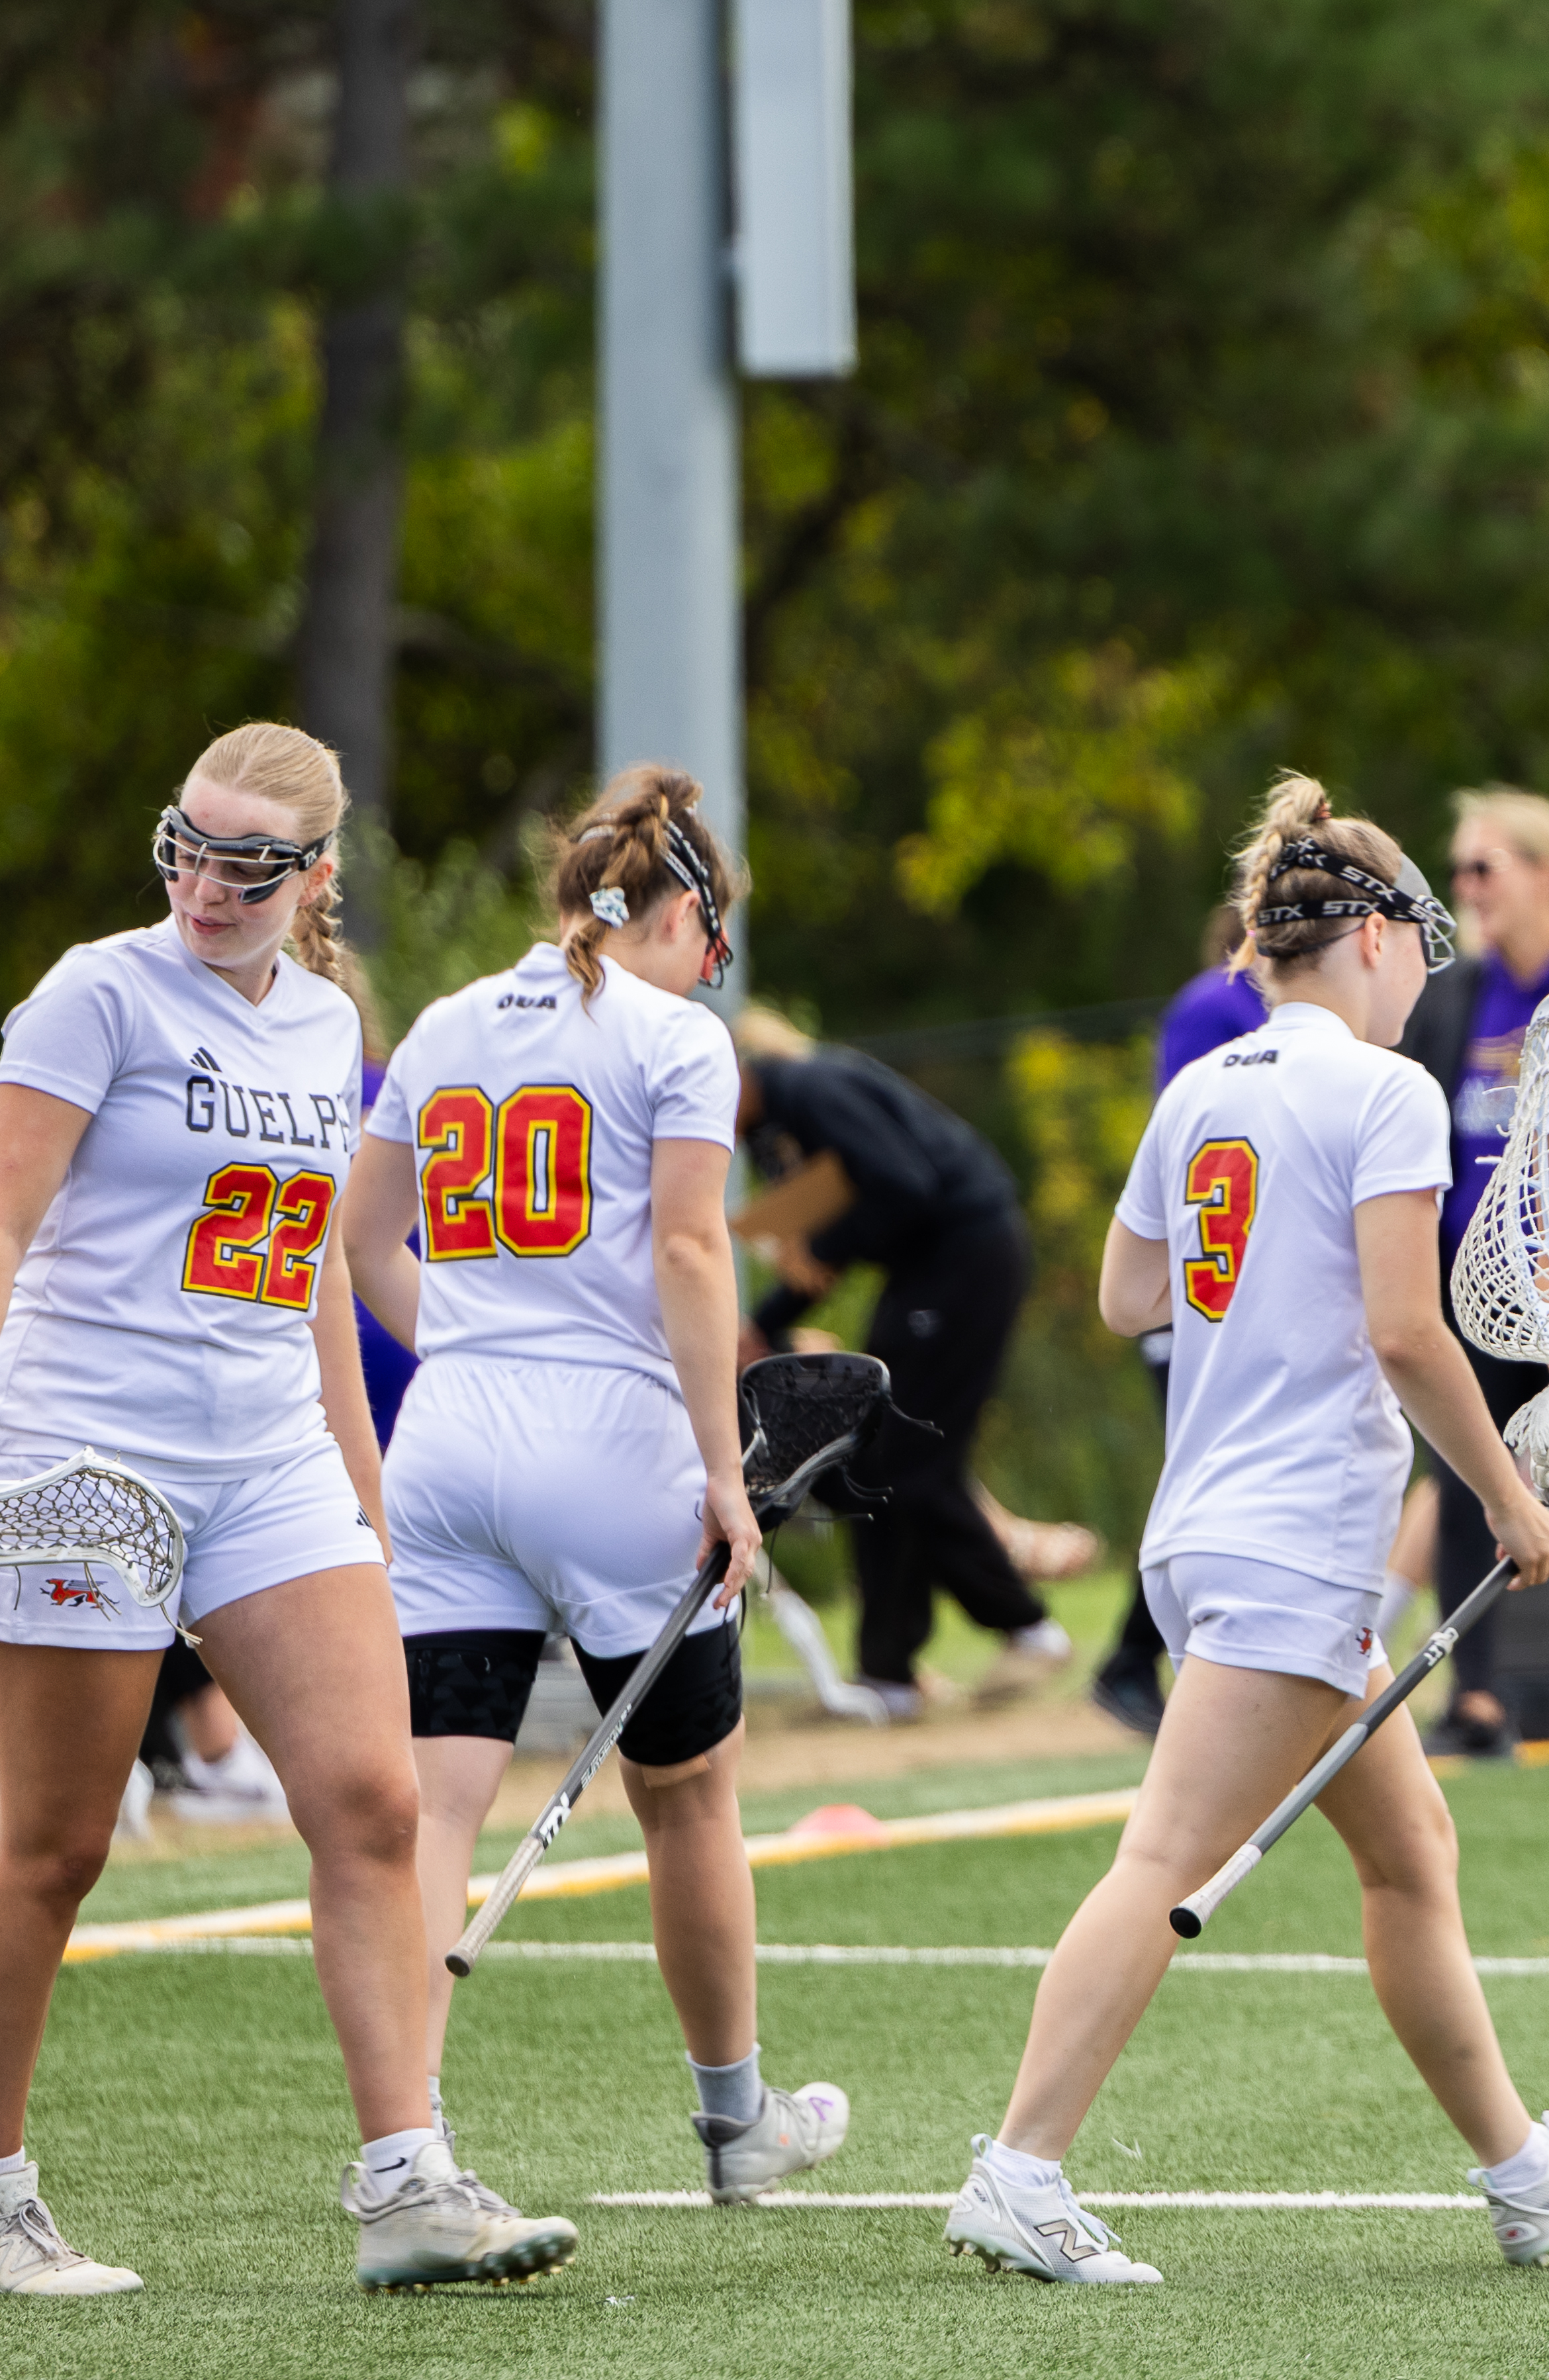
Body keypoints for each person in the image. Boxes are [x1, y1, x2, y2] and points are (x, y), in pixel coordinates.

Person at [0, 719, 575, 2295]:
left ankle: (405, 2179)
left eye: (248, 862)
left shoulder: (326, 1023)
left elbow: (313, 1273)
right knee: (56, 1845)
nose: (206, 884)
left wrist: (368, 1498)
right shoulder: (95, 991)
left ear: (314, 872)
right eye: (187, 845)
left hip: (266, 1459)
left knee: (375, 1802)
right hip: (81, 1451)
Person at [944, 776, 1549, 2284]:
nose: (1428, 968)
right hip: (1289, 1534)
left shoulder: (1199, 1088)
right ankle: (1017, 2166)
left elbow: (1128, 1299)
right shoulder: (1383, 1092)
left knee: (1411, 1850)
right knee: (1166, 1855)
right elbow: (1412, 1334)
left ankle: (1521, 2170)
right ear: (1364, 940)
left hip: (1214, 1521)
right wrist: (1507, 1497)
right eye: (1417, 935)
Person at [338, 762, 851, 2207]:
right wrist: (719, 1469)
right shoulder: (673, 1038)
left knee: (437, 1808)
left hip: (449, 1441)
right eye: (717, 938)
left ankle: (406, 2144)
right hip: (613, 1448)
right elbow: (696, 1253)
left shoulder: (442, 1024)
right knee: (687, 1798)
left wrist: (477, 1347)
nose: (714, 965)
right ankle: (737, 2120)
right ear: (682, 910)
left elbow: (363, 1241)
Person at [735, 1013, 1067, 1717]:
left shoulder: (809, 1086)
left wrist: (821, 1245)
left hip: (965, 1255)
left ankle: (1026, 1626)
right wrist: (758, 1326)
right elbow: (836, 1236)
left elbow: (905, 1186)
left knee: (909, 1458)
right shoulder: (773, 1127)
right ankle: (888, 1673)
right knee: (877, 1459)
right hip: (928, 1269)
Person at [1398, 788, 1549, 1756]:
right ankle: (1477, 1698)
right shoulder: (1457, 995)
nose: (1466, 889)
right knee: (1466, 1475)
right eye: (1458, 871)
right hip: (1475, 1283)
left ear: (1543, 872)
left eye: (1483, 867)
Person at [1089, 902, 1277, 1739]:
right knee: (1205, 1471)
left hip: (1233, 1285)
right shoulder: (1216, 1003)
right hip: (1201, 1286)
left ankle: (1148, 1657)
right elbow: (1201, 1157)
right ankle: (1135, 1657)